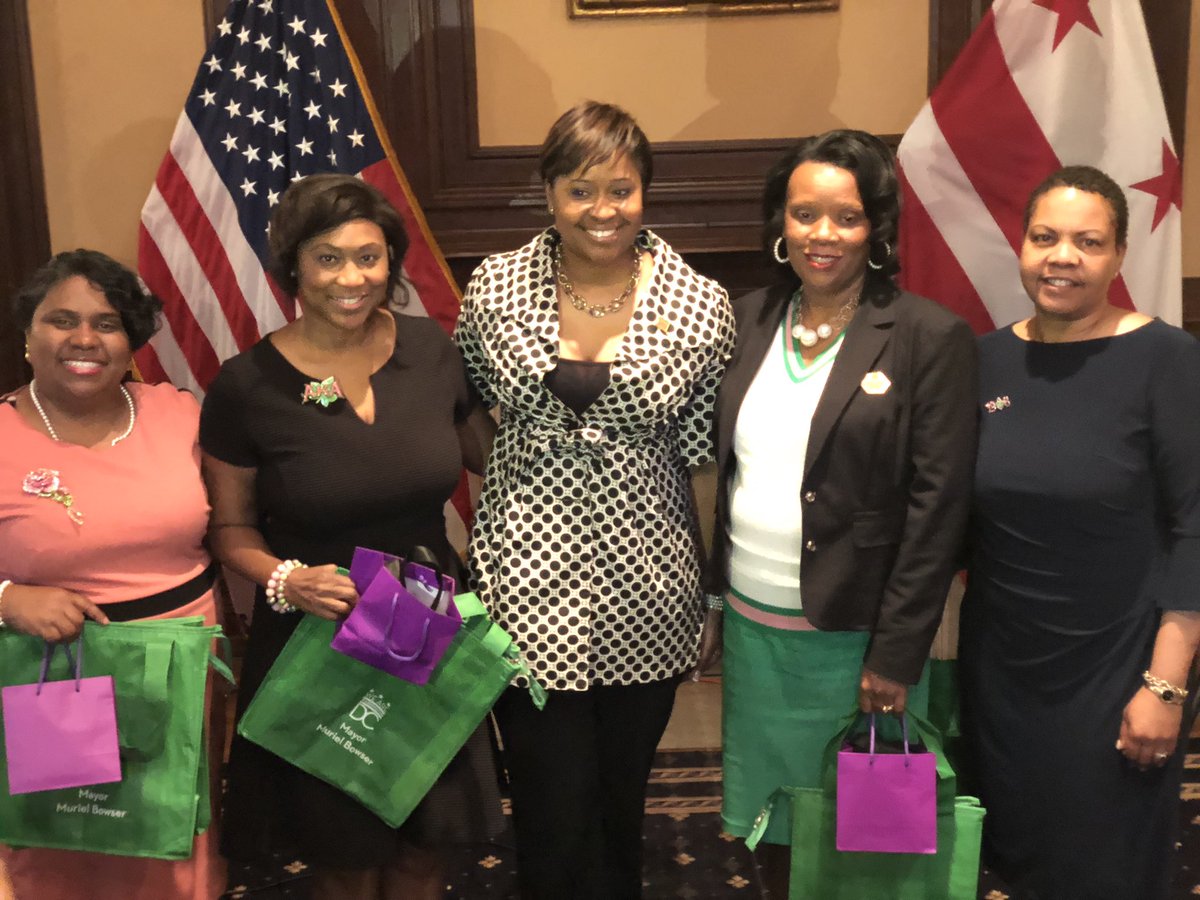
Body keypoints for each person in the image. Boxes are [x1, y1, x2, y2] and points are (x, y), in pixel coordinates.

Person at [454, 100, 735, 899]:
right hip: (523, 587)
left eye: (621, 190)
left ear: (644, 193)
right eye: (582, 190)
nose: (602, 211)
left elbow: (702, 461)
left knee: (621, 794)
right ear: (548, 194)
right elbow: (463, 399)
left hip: (648, 583)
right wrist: (513, 471)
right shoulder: (494, 287)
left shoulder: (700, 304)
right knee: (547, 799)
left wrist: (711, 592)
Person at [200, 174, 501, 900]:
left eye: (369, 257)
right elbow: (229, 527)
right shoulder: (247, 386)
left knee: (427, 843)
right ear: (294, 267)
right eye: (328, 258)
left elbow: (499, 462)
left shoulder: (432, 350)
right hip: (318, 629)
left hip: (427, 619)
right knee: (345, 854)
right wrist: (284, 580)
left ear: (392, 264)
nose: (352, 277)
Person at [700, 129, 978, 893]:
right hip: (760, 639)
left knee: (866, 847)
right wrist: (718, 601)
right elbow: (731, 478)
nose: (823, 235)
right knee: (774, 831)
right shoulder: (747, 319)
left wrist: (897, 654)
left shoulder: (929, 337)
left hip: (859, 643)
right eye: (804, 214)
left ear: (877, 228)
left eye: (846, 217)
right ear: (779, 223)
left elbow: (938, 510)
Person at [959, 165, 1200, 900]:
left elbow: (1196, 528)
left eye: (1088, 241)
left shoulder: (1168, 359)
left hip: (1117, 670)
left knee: (1106, 869)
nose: (1063, 256)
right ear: (1021, 246)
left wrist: (1167, 685)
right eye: (1046, 237)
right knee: (1013, 858)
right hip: (1000, 670)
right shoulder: (984, 358)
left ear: (1120, 254)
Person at [0, 250, 225, 899]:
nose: (83, 340)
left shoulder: (180, 414)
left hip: (178, 676)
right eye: (61, 319)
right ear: (27, 333)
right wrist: (9, 598)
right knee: (72, 852)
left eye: (107, 323)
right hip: (57, 675)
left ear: (132, 343)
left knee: (173, 852)